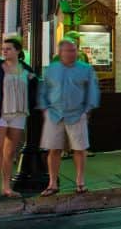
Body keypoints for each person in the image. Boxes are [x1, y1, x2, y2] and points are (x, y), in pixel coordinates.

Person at [0, 37, 38, 203]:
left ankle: (6, 186)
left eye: (9, 48)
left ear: (18, 51)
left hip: (18, 113)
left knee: (10, 152)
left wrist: (30, 103)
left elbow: (34, 87)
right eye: (3, 49)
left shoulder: (25, 69)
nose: (5, 51)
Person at [39, 38, 100, 196]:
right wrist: (45, 108)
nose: (72, 53)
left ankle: (80, 182)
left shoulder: (85, 69)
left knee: (79, 149)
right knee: (54, 149)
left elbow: (92, 90)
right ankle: (52, 183)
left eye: (74, 50)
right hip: (54, 114)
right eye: (68, 50)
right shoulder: (51, 69)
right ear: (60, 53)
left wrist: (87, 110)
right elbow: (43, 90)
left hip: (77, 114)